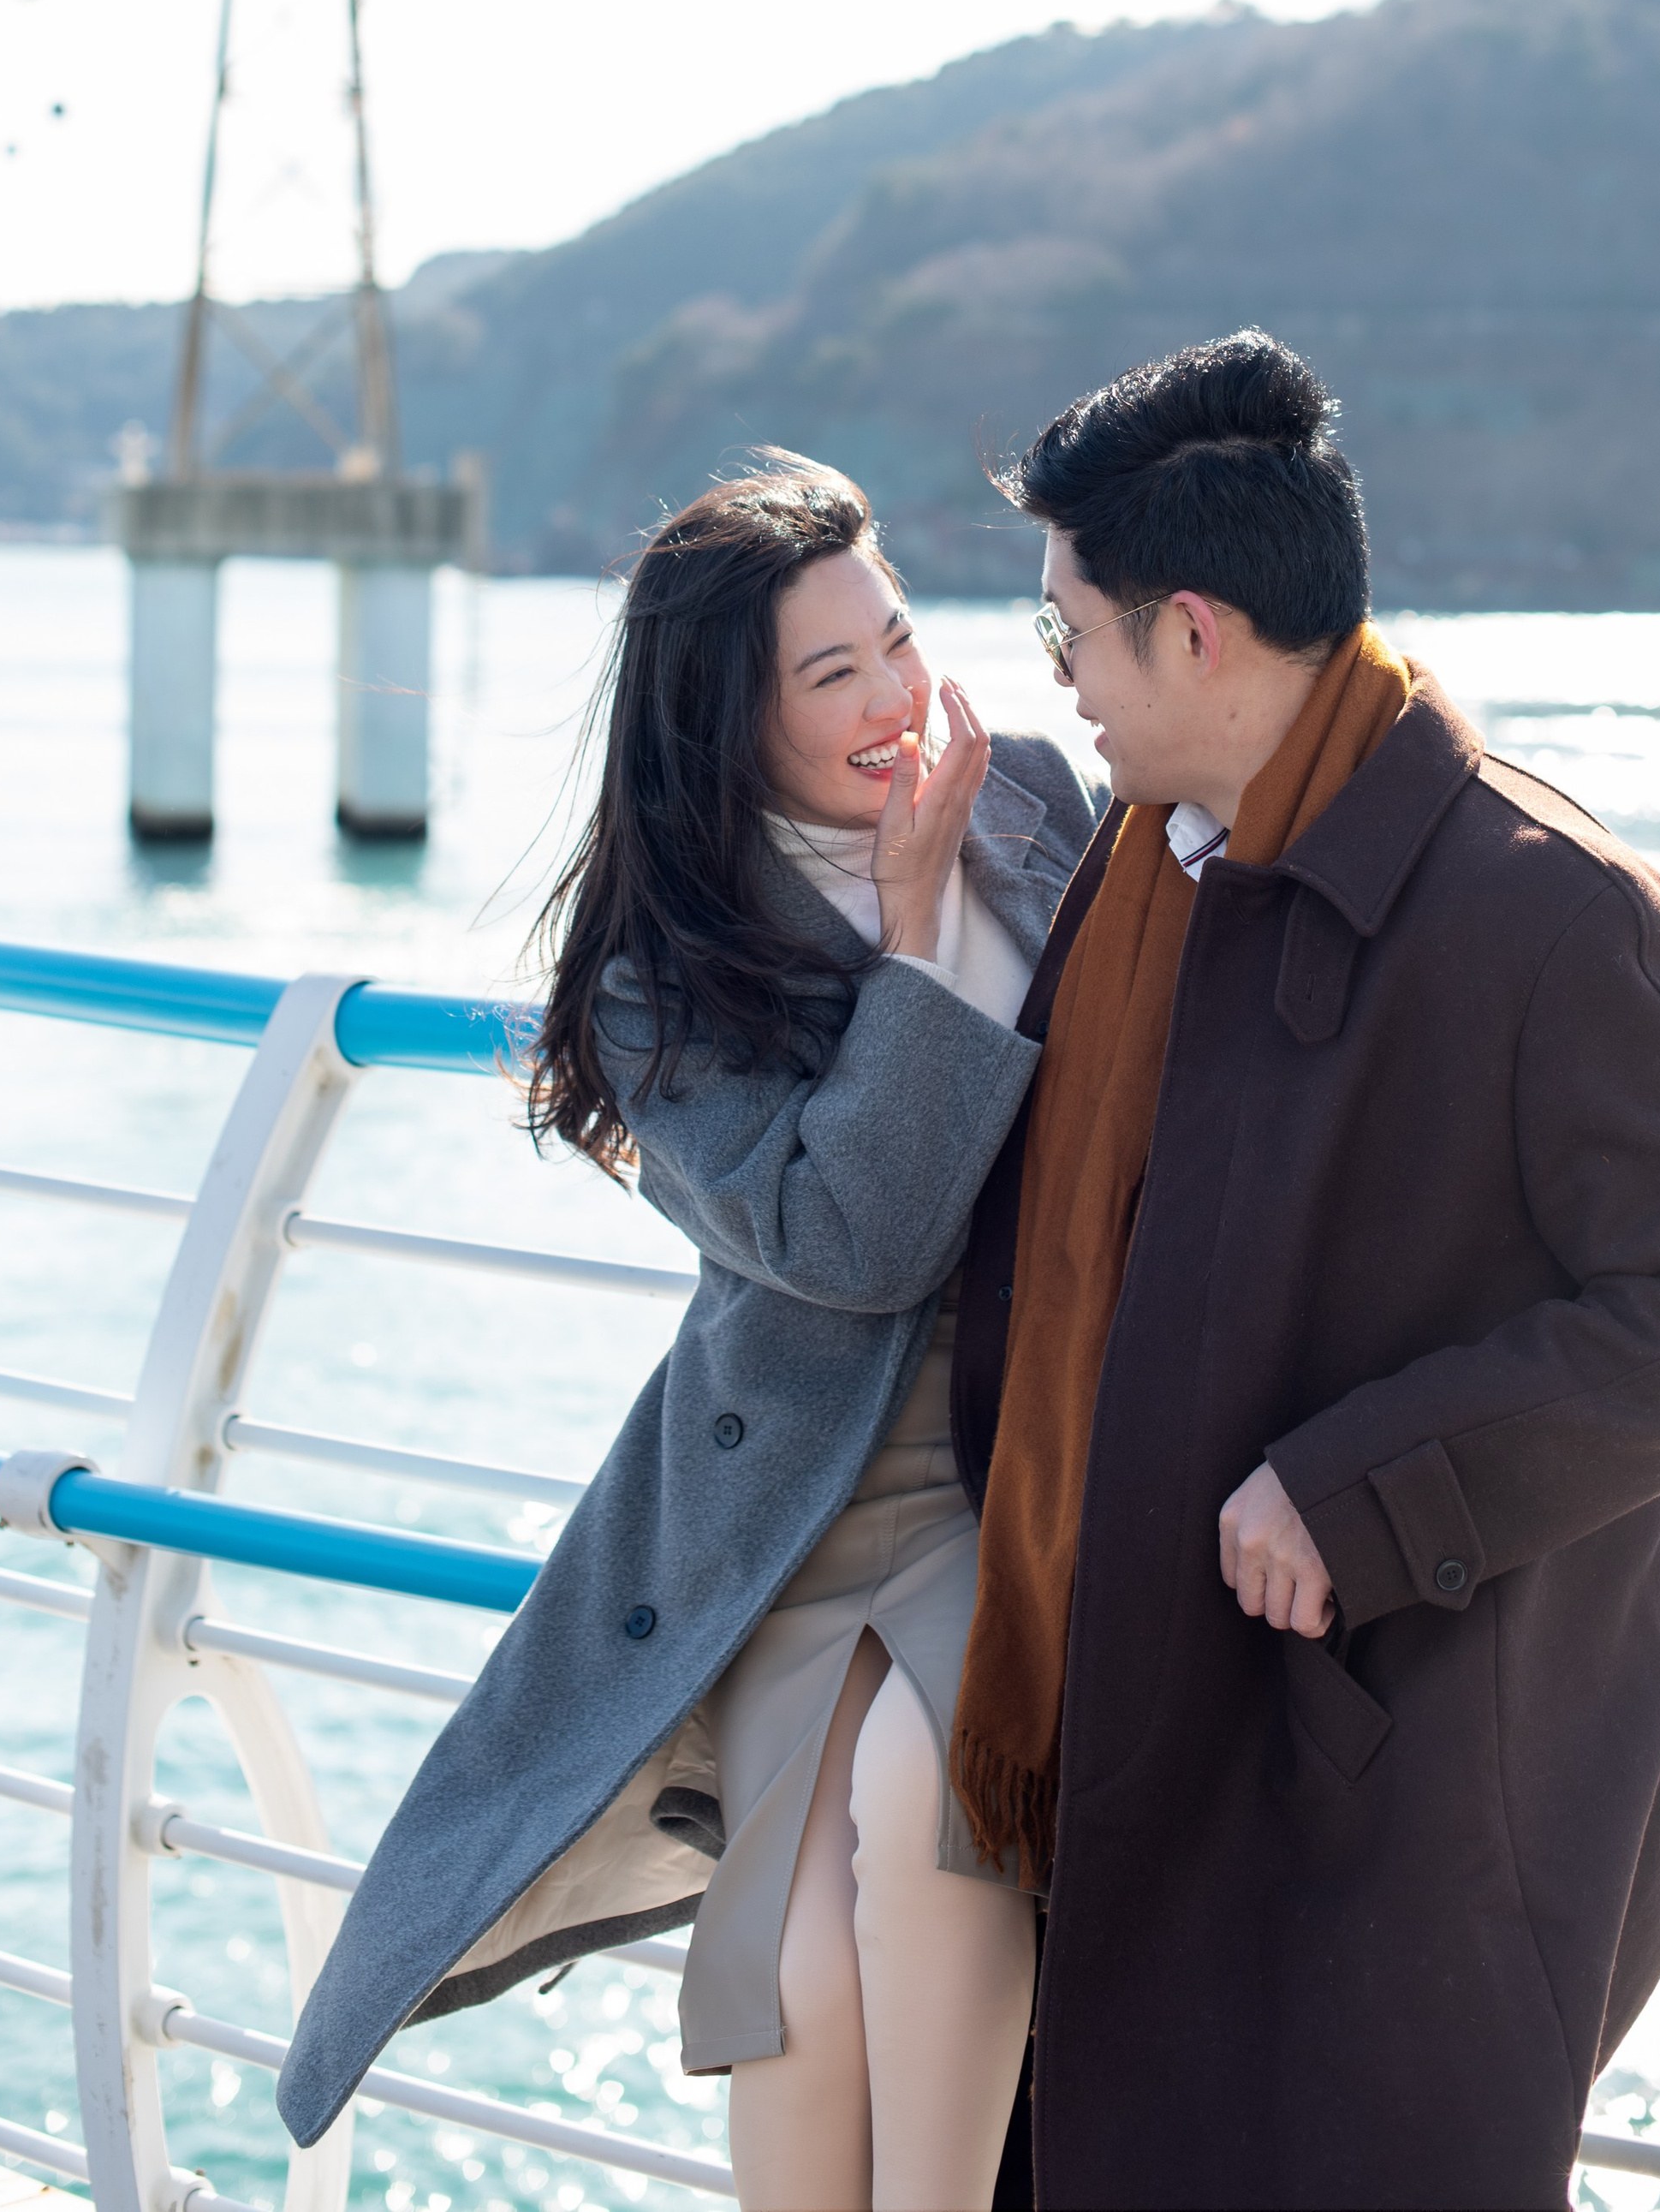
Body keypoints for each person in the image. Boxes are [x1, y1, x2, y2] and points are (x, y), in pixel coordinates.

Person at [945, 332, 1660, 2212]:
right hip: (1177, 1725)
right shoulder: (1153, 863)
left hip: (1415, 1772)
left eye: (1069, 642)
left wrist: (1364, 1488)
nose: (1060, 690)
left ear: (1189, 632)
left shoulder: (1538, 907)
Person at [277, 453, 1101, 2212]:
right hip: (798, 1510)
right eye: (831, 676)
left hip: (1013, 1473)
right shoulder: (658, 963)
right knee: (793, 1975)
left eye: (893, 637)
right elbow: (849, 1241)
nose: (894, 698)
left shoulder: (1032, 799)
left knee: (931, 1828)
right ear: (724, 723)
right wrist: (909, 933)